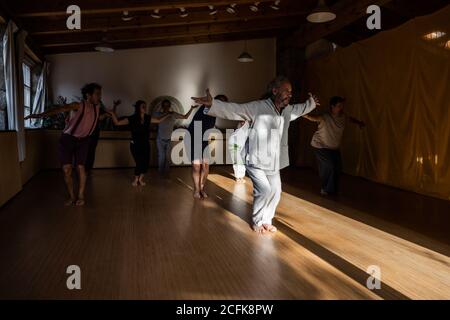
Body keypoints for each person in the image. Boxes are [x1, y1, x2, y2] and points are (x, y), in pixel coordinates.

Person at [192, 76, 320, 234]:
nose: (290, 94)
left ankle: (267, 221)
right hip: (256, 160)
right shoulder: (258, 107)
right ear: (275, 91)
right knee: (264, 190)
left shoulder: (288, 111)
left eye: (291, 92)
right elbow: (235, 110)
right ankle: (258, 221)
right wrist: (213, 104)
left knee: (275, 192)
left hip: (274, 161)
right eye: (286, 90)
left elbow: (301, 109)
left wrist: (311, 103)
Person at [25, 83, 109, 206]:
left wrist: (107, 115)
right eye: (97, 94)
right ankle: (71, 196)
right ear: (88, 95)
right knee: (66, 170)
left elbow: (96, 119)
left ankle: (80, 195)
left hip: (84, 141)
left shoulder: (97, 108)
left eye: (100, 94)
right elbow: (59, 109)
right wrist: (38, 115)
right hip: (68, 139)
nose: (99, 97)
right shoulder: (78, 105)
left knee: (81, 167)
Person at [303, 96, 365, 195]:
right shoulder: (325, 117)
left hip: (333, 148)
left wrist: (359, 123)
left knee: (338, 167)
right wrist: (303, 113)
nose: (341, 108)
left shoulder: (343, 116)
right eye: (339, 106)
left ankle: (332, 189)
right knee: (329, 166)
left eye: (342, 106)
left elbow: (351, 119)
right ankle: (325, 188)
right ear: (332, 106)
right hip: (320, 146)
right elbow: (313, 118)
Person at [108, 100, 171, 187]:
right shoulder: (132, 118)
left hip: (145, 145)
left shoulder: (148, 118)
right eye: (143, 106)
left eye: (145, 106)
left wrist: (168, 114)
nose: (145, 108)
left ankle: (140, 179)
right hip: (135, 145)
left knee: (145, 163)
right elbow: (117, 123)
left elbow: (159, 120)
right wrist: (112, 113)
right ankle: (136, 179)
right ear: (138, 108)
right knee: (139, 162)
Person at [187, 94, 227, 199]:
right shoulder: (206, 107)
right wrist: (204, 99)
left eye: (223, 103)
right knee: (197, 166)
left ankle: (201, 189)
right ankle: (196, 190)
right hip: (193, 137)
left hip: (203, 139)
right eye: (220, 102)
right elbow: (207, 107)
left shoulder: (215, 113)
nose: (221, 105)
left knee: (205, 166)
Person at [153, 99, 198, 175]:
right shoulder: (158, 114)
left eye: (167, 105)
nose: (166, 107)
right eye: (164, 105)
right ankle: (160, 173)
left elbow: (185, 117)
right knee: (161, 156)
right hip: (160, 139)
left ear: (170, 106)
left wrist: (191, 109)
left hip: (169, 139)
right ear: (162, 106)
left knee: (167, 157)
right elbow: (156, 120)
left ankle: (166, 173)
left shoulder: (173, 114)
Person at [85, 99, 121, 175]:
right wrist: (103, 115)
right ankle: (84, 170)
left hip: (94, 134)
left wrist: (115, 106)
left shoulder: (100, 110)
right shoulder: (88, 109)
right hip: (86, 133)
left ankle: (88, 170)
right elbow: (97, 117)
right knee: (87, 152)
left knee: (91, 152)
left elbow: (111, 114)